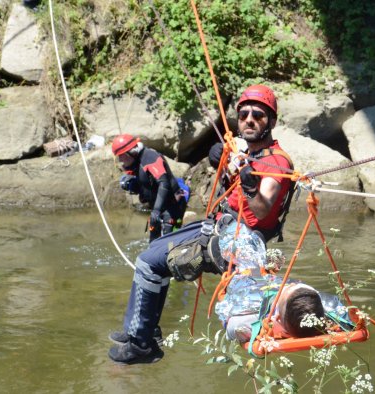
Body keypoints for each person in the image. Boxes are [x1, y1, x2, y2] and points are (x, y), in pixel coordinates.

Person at [107, 84, 294, 365]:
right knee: (156, 248)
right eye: (244, 115)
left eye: (258, 115)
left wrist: (248, 180)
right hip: (222, 227)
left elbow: (263, 206)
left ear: (273, 122)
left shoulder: (276, 162)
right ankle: (145, 331)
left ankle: (142, 344)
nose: (250, 120)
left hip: (235, 242)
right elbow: (234, 184)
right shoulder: (250, 155)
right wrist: (220, 158)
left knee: (147, 262)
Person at [112, 134, 188, 243]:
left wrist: (156, 210)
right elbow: (148, 183)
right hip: (157, 208)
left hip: (172, 207)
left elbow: (164, 183)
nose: (120, 159)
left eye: (121, 155)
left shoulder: (150, 157)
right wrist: (133, 185)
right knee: (153, 243)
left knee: (170, 245)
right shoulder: (136, 161)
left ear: (130, 153)